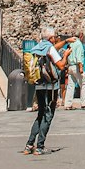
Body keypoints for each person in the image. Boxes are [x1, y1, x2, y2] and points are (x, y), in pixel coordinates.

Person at [23, 27, 64, 155]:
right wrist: (66, 56)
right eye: (54, 37)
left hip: (39, 85)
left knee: (40, 113)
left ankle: (29, 145)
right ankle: (40, 146)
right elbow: (61, 65)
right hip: (51, 87)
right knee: (48, 114)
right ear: (51, 38)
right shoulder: (50, 48)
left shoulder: (36, 48)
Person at [63, 31, 85, 110]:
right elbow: (79, 57)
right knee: (84, 84)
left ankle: (68, 104)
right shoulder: (78, 44)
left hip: (70, 66)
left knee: (70, 86)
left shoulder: (71, 44)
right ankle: (84, 103)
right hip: (76, 66)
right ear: (81, 35)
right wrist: (81, 67)